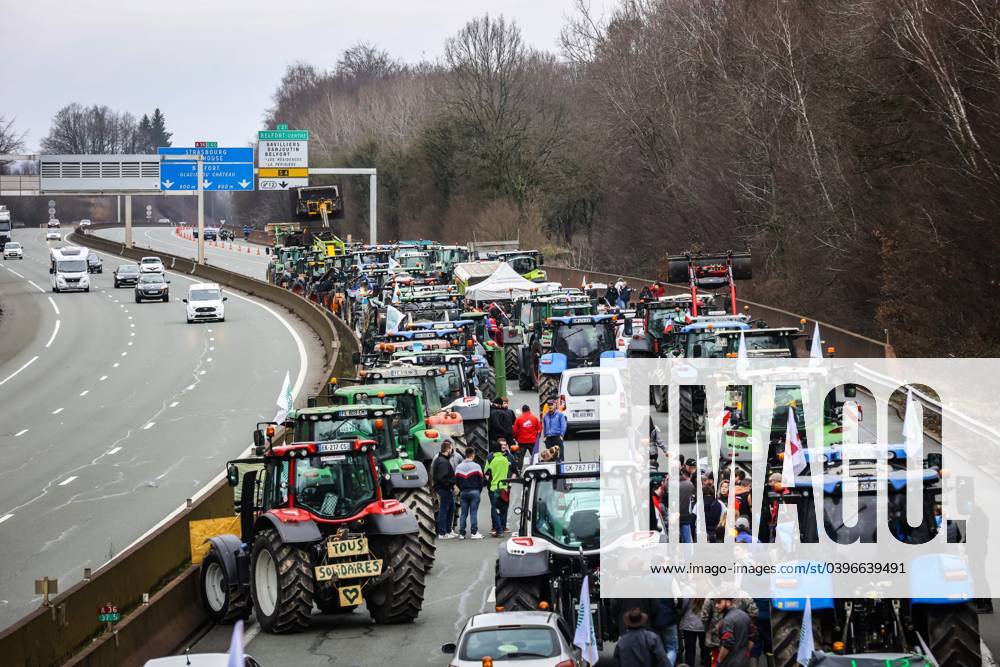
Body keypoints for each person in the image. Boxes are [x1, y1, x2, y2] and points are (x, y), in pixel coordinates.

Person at [455, 448, 486, 539]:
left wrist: (461, 489)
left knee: (463, 513)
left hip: (463, 492)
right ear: (473, 455)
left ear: (465, 454)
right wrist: (479, 490)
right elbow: (481, 480)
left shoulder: (459, 467)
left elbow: (457, 480)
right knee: (473, 512)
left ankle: (462, 533)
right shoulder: (476, 466)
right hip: (474, 491)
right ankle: (474, 533)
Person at [715, 598, 755, 667]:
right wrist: (746, 652)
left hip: (730, 662)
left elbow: (727, 643)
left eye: (719, 602)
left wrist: (719, 660)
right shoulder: (744, 614)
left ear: (728, 602)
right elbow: (753, 636)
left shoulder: (727, 620)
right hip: (744, 660)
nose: (716, 605)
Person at [484, 442, 512, 536]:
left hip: (494, 487)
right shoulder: (505, 459)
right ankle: (503, 527)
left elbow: (486, 471)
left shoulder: (492, 460)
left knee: (495, 510)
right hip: (504, 487)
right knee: (503, 508)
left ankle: (499, 530)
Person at [432, 440, 458, 539]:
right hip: (444, 489)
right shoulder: (442, 462)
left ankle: (448, 530)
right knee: (444, 510)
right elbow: (442, 478)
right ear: (448, 449)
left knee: (451, 508)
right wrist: (452, 483)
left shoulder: (442, 460)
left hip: (446, 488)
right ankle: (442, 533)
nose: (452, 450)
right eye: (451, 448)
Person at [679, 598, 706, 667]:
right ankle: (704, 660)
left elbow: (683, 607)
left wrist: (679, 616)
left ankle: (689, 665)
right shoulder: (709, 591)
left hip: (689, 624)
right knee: (704, 646)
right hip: (704, 623)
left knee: (690, 650)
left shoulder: (688, 591)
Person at [653, 598, 680, 667]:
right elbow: (679, 601)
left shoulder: (651, 588)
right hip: (670, 620)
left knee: (657, 649)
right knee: (672, 648)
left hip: (656, 621)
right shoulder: (671, 587)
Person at [542, 396, 567, 461]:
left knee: (559, 457)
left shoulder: (560, 415)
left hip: (557, 437)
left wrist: (561, 435)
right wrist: (544, 436)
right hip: (549, 439)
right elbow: (545, 426)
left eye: (551, 405)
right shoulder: (546, 416)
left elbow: (563, 425)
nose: (550, 406)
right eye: (548, 405)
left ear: (555, 405)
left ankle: (560, 469)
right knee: (549, 458)